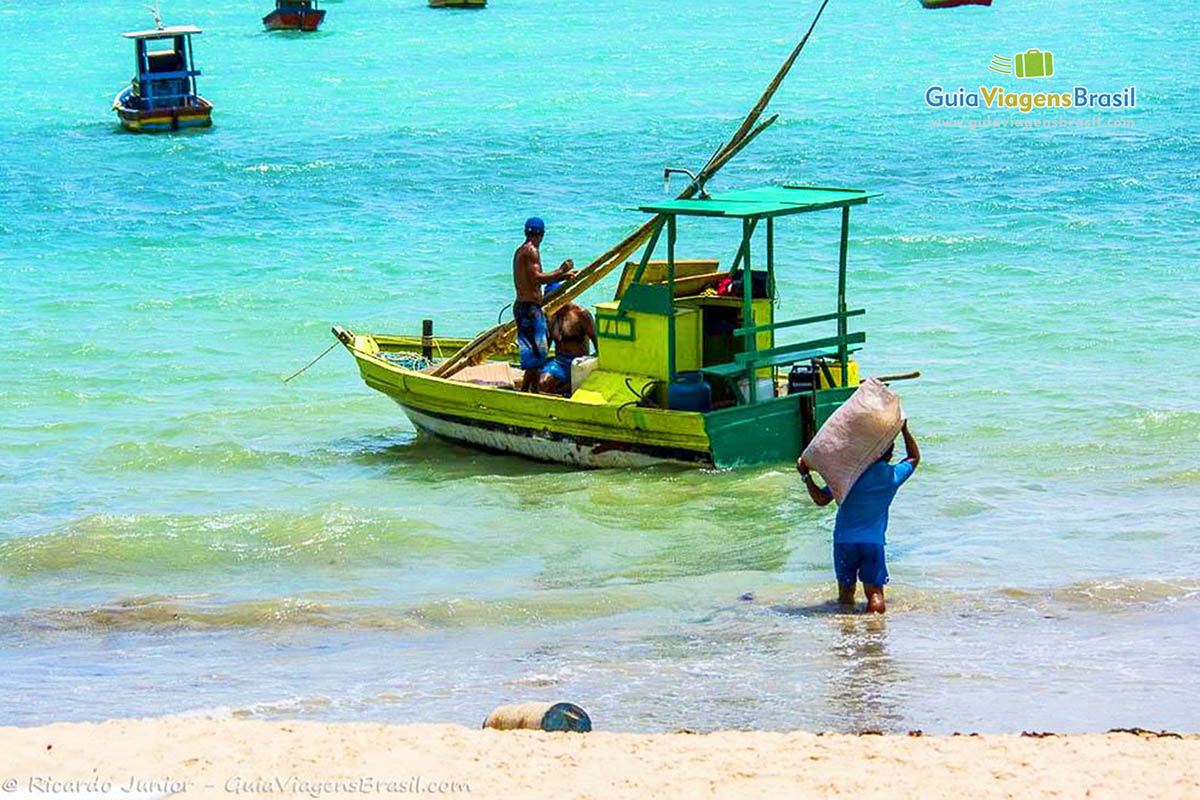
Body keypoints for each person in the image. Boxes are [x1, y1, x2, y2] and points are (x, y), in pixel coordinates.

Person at [797, 420, 921, 614]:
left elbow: (821, 500)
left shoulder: (848, 475)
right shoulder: (892, 476)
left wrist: (806, 475)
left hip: (844, 541)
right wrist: (904, 429)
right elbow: (913, 457)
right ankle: (874, 634)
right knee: (875, 595)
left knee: (846, 595)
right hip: (873, 542)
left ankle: (848, 634)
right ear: (888, 454)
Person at [512, 217, 576, 393]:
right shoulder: (531, 250)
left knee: (535, 356)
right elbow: (537, 278)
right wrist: (562, 270)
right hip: (529, 309)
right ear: (542, 234)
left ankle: (531, 391)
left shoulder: (522, 250)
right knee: (537, 356)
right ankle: (526, 392)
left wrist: (562, 277)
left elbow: (533, 278)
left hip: (525, 307)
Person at [540, 303, 597, 395]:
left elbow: (595, 340)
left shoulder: (580, 314)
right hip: (559, 362)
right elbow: (545, 346)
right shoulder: (551, 316)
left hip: (577, 363)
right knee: (544, 382)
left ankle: (566, 386)